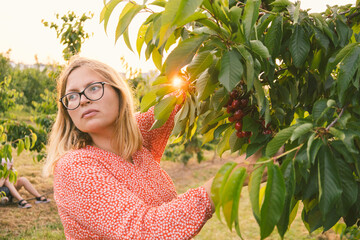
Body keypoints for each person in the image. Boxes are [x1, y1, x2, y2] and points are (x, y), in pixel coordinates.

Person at [43, 56, 264, 239]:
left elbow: (182, 95)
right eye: (71, 96)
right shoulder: (73, 169)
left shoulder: (137, 137)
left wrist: (218, 52)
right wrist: (232, 176)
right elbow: (144, 231)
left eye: (93, 89)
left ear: (119, 92)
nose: (82, 100)